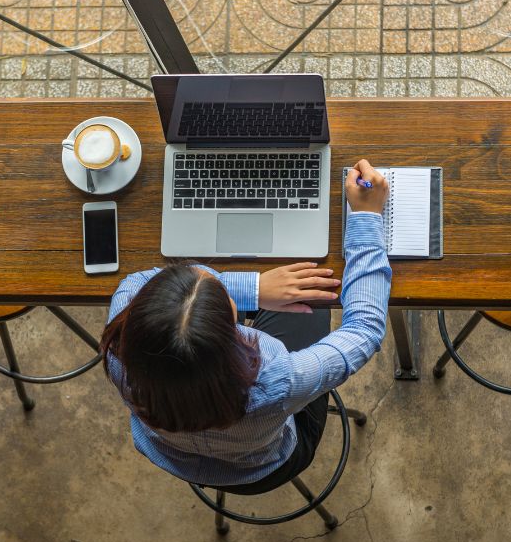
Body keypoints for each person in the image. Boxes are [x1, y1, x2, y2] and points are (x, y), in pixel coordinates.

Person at [102, 159, 391, 493]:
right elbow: (364, 330)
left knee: (298, 297)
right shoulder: (277, 381)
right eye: (225, 296)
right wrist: (367, 218)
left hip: (174, 456)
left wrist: (254, 289)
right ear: (231, 327)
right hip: (267, 467)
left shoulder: (118, 340)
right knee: (311, 302)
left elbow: (141, 280)